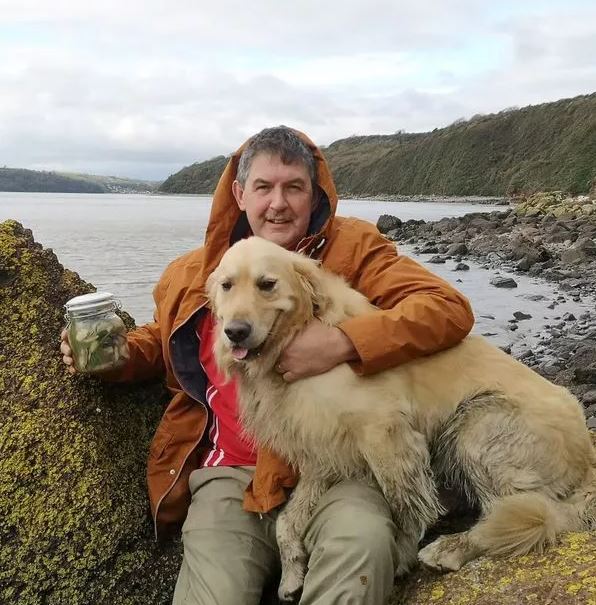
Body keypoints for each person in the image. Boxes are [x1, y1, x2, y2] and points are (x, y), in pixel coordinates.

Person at [61, 126, 475, 604]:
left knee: (360, 549)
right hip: (233, 475)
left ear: (313, 193)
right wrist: (114, 358)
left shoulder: (355, 249)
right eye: (263, 187)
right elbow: (163, 339)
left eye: (293, 187)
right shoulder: (190, 274)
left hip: (340, 469)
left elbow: (446, 309)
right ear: (239, 194)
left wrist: (344, 341)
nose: (278, 203)